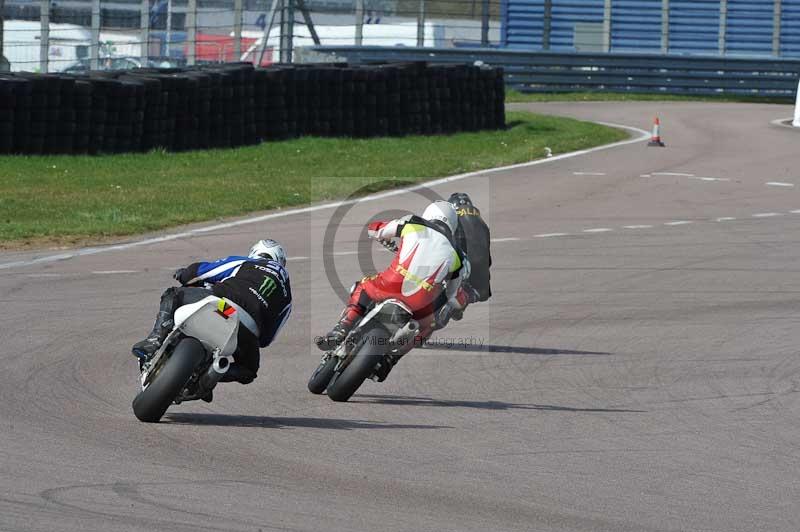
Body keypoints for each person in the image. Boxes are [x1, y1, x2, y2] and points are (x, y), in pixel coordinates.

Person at [316, 200, 475, 380]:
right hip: (419, 301)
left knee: (362, 287)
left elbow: (376, 229)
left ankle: (341, 329)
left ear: (428, 214)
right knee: (428, 326)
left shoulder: (413, 222)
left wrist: (382, 237)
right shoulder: (459, 256)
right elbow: (452, 295)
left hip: (390, 284)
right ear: (452, 224)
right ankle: (391, 360)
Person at [132, 239, 292, 390]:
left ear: (254, 253)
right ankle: (207, 378)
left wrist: (184, 275)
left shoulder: (246, 262)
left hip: (223, 305)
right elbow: (266, 340)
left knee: (173, 294)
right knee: (248, 371)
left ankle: (155, 339)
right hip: (246, 330)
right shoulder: (287, 296)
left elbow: (204, 271)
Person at [448, 192, 492, 315]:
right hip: (478, 275)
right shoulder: (482, 225)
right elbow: (487, 257)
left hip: (458, 267)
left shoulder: (452, 222)